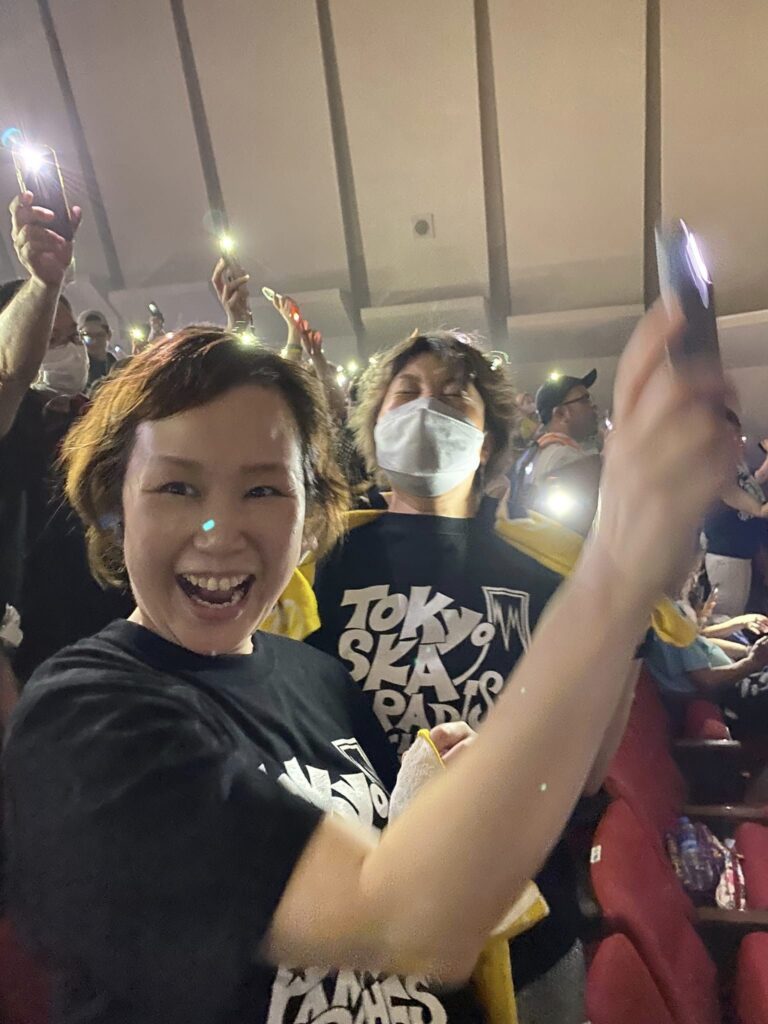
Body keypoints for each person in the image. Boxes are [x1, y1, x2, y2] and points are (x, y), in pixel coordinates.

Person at [3, 292, 731, 1024]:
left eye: (263, 488)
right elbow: (405, 925)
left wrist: (427, 787)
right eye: (177, 487)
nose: (219, 531)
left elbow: (405, 878)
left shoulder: (317, 679)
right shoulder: (81, 722)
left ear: (307, 510)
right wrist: (616, 575)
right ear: (115, 503)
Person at [264, 330, 689, 1018]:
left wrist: (629, 611)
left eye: (453, 397)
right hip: (357, 933)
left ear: (487, 441)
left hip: (523, 929)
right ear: (375, 425)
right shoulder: (314, 564)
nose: (425, 409)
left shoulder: (551, 570)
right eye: (407, 392)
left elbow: (585, 774)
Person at [0, 192, 131, 684]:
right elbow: (10, 372)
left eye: (73, 336)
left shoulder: (95, 419)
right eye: (51, 339)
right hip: (36, 659)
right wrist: (43, 283)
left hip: (116, 640)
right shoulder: (14, 426)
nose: (70, 349)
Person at [703, 409, 768, 618]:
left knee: (735, 616)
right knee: (727, 617)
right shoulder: (717, 474)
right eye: (731, 437)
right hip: (727, 557)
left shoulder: (737, 467)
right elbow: (758, 509)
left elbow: (754, 483)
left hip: (740, 555)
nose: (739, 441)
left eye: (738, 435)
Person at [77, 308, 117, 388]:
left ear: (109, 335)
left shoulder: (118, 368)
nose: (95, 341)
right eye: (88, 337)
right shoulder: (76, 372)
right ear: (79, 338)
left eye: (99, 335)